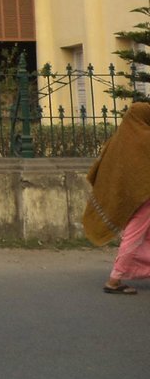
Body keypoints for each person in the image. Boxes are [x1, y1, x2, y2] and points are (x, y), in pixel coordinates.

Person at [82, 101, 150, 295]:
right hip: (144, 197)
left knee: (142, 236)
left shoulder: (118, 139)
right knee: (135, 235)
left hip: (131, 196)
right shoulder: (146, 138)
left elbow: (105, 168)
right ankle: (114, 280)